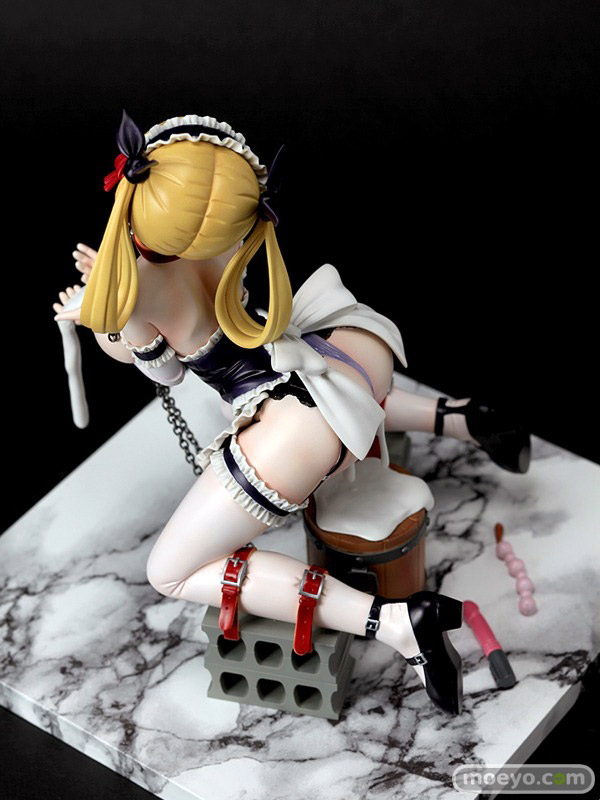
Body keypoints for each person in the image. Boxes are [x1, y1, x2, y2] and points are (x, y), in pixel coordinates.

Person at [54, 111, 531, 714]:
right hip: (327, 356)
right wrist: (110, 284)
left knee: (170, 571)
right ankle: (467, 417)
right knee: (342, 397)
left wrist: (99, 311)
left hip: (291, 426)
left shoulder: (137, 289)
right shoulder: (225, 233)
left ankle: (395, 622)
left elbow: (162, 370)